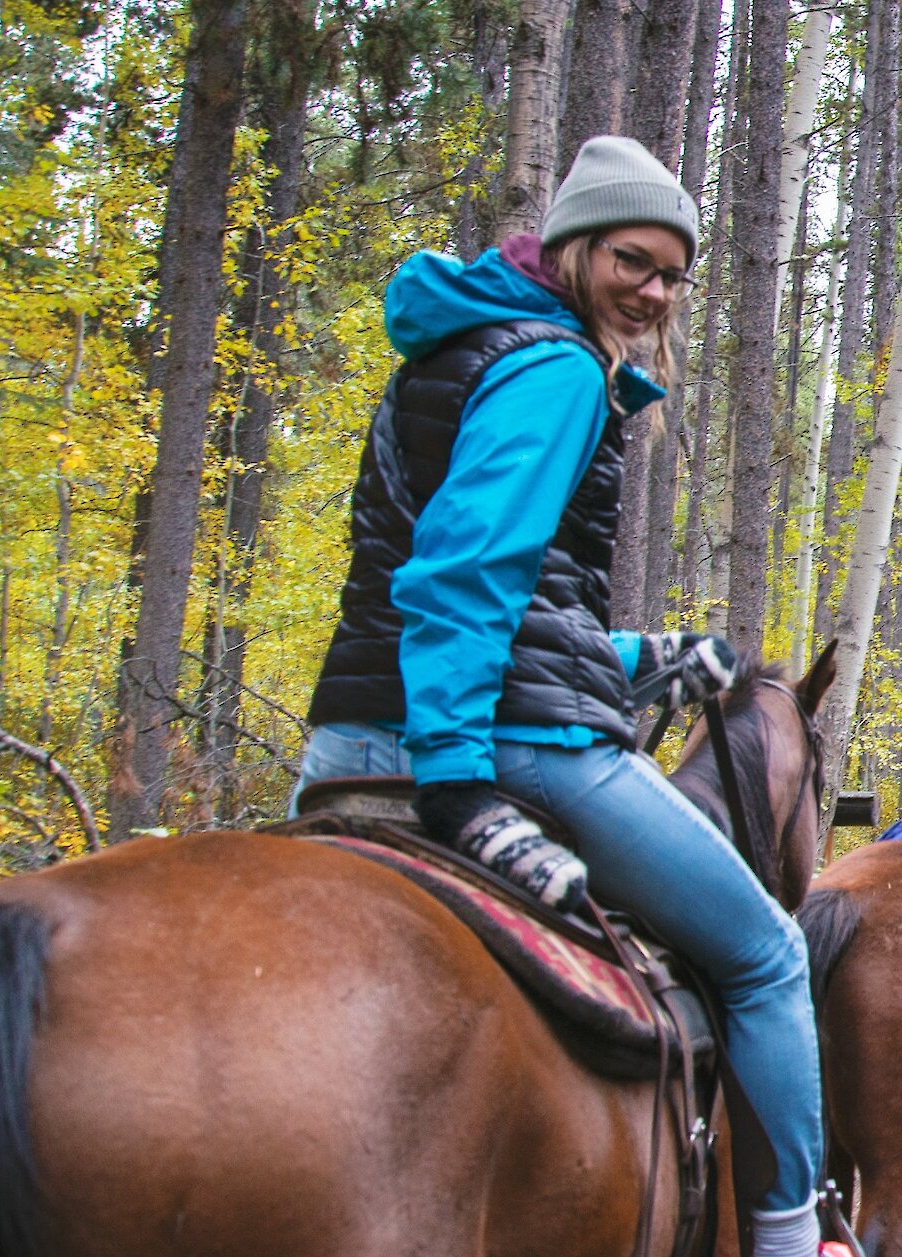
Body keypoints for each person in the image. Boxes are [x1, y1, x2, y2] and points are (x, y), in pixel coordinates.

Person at [291, 137, 826, 1257]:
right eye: (634, 260)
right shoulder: (557, 367)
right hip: (493, 742)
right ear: (577, 245)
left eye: (675, 274)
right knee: (770, 956)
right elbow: (463, 573)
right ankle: (788, 1237)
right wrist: (453, 776)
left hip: (351, 734)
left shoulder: (461, 345)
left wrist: (646, 655)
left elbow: (504, 595)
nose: (655, 290)